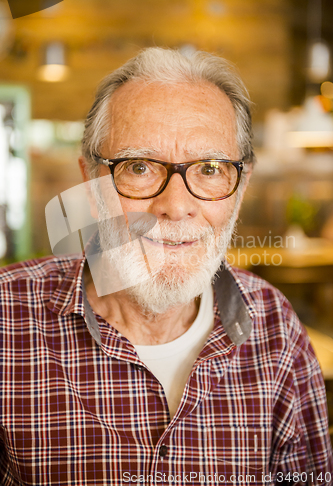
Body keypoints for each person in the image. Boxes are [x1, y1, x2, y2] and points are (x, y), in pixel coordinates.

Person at [0, 47, 332, 485]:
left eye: (211, 169)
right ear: (90, 181)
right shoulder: (6, 320)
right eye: (139, 167)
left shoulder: (277, 330)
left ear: (241, 185)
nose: (176, 207)